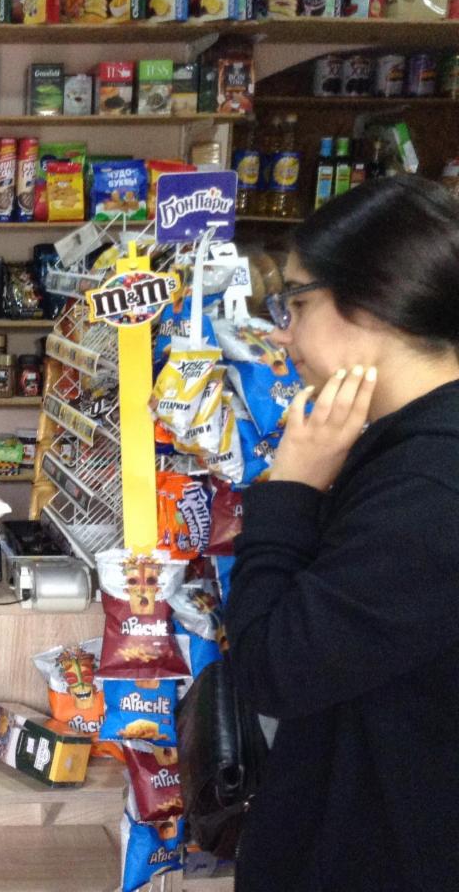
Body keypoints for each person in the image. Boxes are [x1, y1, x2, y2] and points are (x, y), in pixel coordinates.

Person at [225, 176, 459, 890]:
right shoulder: (406, 448)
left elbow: (273, 670)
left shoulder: (430, 487)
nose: (281, 332)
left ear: (374, 301)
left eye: (296, 303)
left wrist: (292, 487)